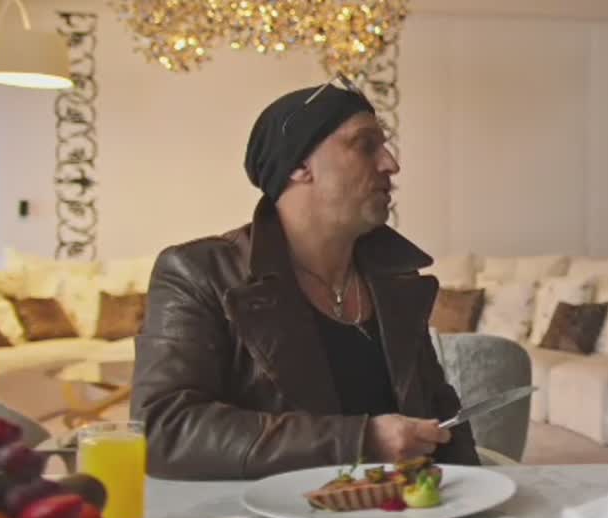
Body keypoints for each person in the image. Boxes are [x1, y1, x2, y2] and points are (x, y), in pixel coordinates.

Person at [131, 75, 479, 480]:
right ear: (299, 164)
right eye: (365, 145)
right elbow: (162, 429)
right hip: (263, 513)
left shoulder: (394, 279)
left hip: (398, 509)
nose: (390, 163)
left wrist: (478, 498)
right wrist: (360, 440)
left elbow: (440, 418)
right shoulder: (197, 272)